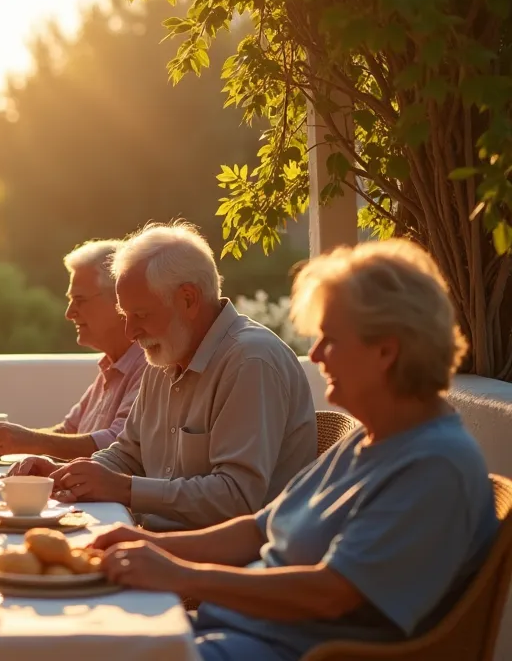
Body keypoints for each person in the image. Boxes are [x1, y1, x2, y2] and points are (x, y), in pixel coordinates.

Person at [92, 239, 499, 661]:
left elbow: (329, 594)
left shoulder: (433, 465)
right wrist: (146, 546)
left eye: (331, 339)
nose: (317, 354)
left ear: (385, 351)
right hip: (228, 629)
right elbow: (257, 529)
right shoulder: (370, 439)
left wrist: (183, 575)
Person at [13, 222, 316, 531]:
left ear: (188, 299)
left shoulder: (251, 361)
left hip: (229, 562)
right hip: (158, 541)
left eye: (141, 316)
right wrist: (65, 474)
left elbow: (236, 498)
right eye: (125, 316)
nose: (130, 333)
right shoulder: (166, 355)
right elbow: (128, 453)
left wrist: (125, 489)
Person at [0, 239, 146, 459]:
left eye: (79, 300)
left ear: (119, 301)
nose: (69, 313)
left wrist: (26, 440)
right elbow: (68, 432)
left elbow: (117, 444)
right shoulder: (111, 365)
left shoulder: (148, 366)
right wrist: (0, 440)